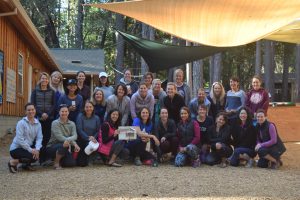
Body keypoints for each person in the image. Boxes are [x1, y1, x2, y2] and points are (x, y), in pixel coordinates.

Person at [8, 103, 43, 173]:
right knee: (33, 157)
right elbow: (20, 140)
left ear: (35, 110)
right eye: (28, 110)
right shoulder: (21, 123)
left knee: (40, 153)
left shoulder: (38, 123)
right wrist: (31, 150)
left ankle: (25, 165)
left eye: (32, 109)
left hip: (27, 147)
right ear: (25, 112)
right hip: (16, 149)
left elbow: (39, 138)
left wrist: (37, 149)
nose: (31, 112)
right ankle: (13, 162)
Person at [46, 105, 80, 170]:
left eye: (66, 111)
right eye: (62, 111)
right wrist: (74, 143)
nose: (64, 113)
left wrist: (73, 143)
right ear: (59, 112)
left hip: (65, 146)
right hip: (52, 147)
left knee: (71, 163)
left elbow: (75, 136)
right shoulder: (55, 123)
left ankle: (59, 159)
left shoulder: (72, 123)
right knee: (65, 144)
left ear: (68, 112)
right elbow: (60, 137)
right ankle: (56, 162)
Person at [30, 72, 55, 147]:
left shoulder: (52, 91)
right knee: (37, 136)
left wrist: (48, 114)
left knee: (47, 136)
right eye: (43, 78)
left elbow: (54, 104)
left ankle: (43, 154)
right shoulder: (35, 91)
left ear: (48, 80)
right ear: (40, 80)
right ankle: (36, 153)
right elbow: (33, 104)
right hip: (38, 117)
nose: (44, 80)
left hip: (49, 117)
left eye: (46, 78)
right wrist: (41, 114)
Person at [76, 101, 101, 167]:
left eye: (90, 107)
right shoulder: (80, 116)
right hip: (82, 140)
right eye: (86, 107)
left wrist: (93, 138)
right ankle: (85, 158)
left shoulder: (97, 118)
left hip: (93, 140)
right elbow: (79, 130)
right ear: (84, 108)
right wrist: (88, 137)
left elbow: (98, 130)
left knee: (93, 145)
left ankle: (91, 158)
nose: (88, 108)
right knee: (81, 164)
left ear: (93, 108)